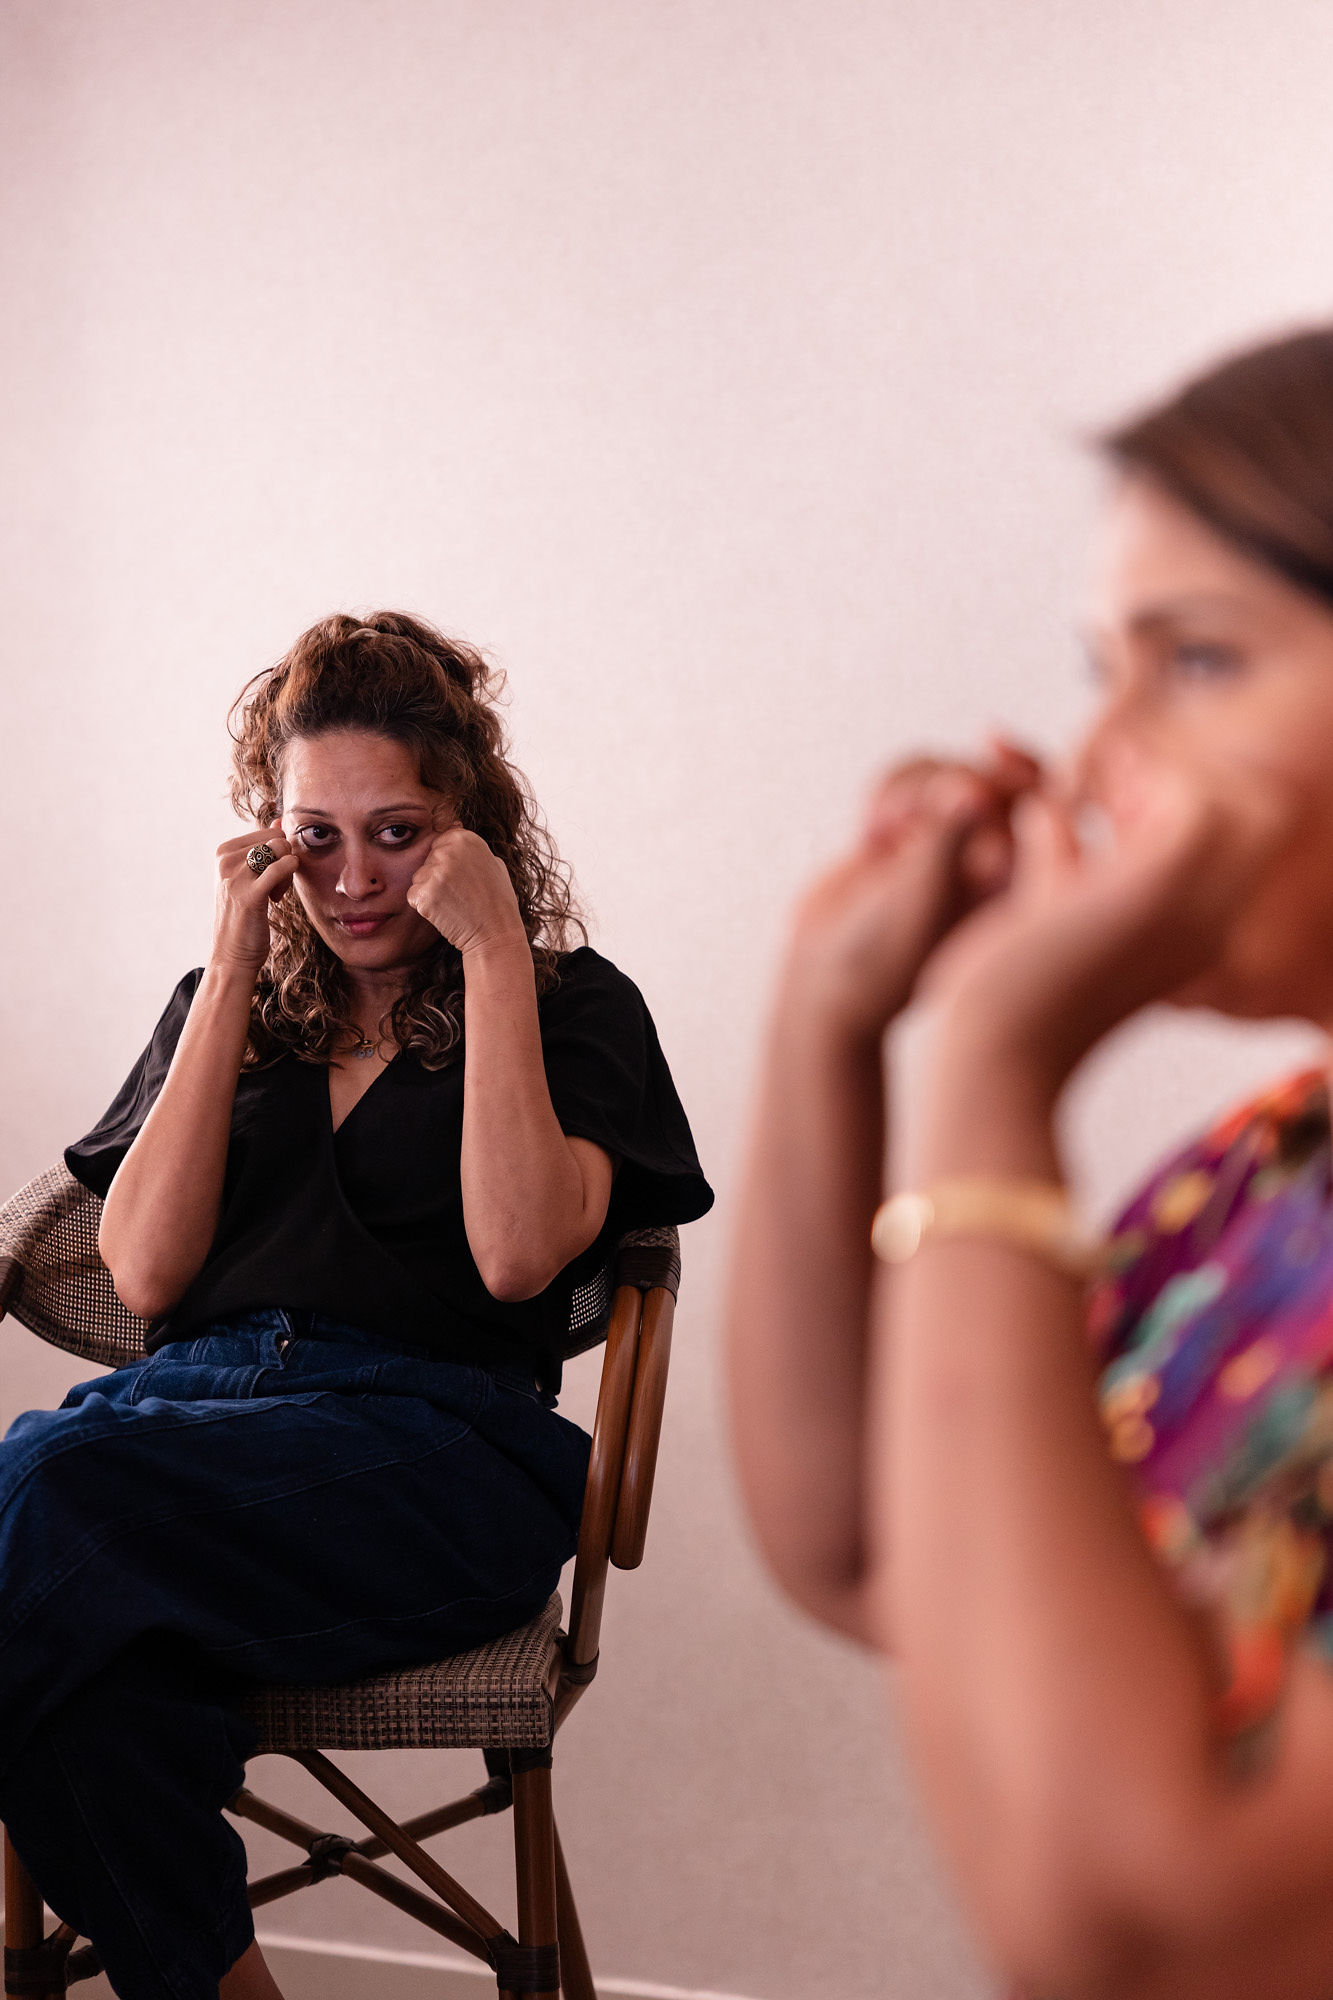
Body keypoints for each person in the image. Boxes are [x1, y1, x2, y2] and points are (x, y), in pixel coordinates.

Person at [728, 326, 1333, 2000]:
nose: (1094, 757)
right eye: (1097, 668)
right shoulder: (1267, 1181)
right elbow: (867, 1550)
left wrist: (994, 1067)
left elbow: (1129, 1930)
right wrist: (835, 1026)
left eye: (1195, 661)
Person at [0, 611, 712, 2000]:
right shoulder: (229, 1002)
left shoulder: (575, 1009)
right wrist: (228, 969)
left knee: (40, 1492)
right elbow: (143, 1273)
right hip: (188, 1446)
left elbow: (516, 1257)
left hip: (436, 1459)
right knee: (80, 1685)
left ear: (470, 826)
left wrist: (497, 953)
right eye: (310, 836)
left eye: (394, 833)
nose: (350, 877)